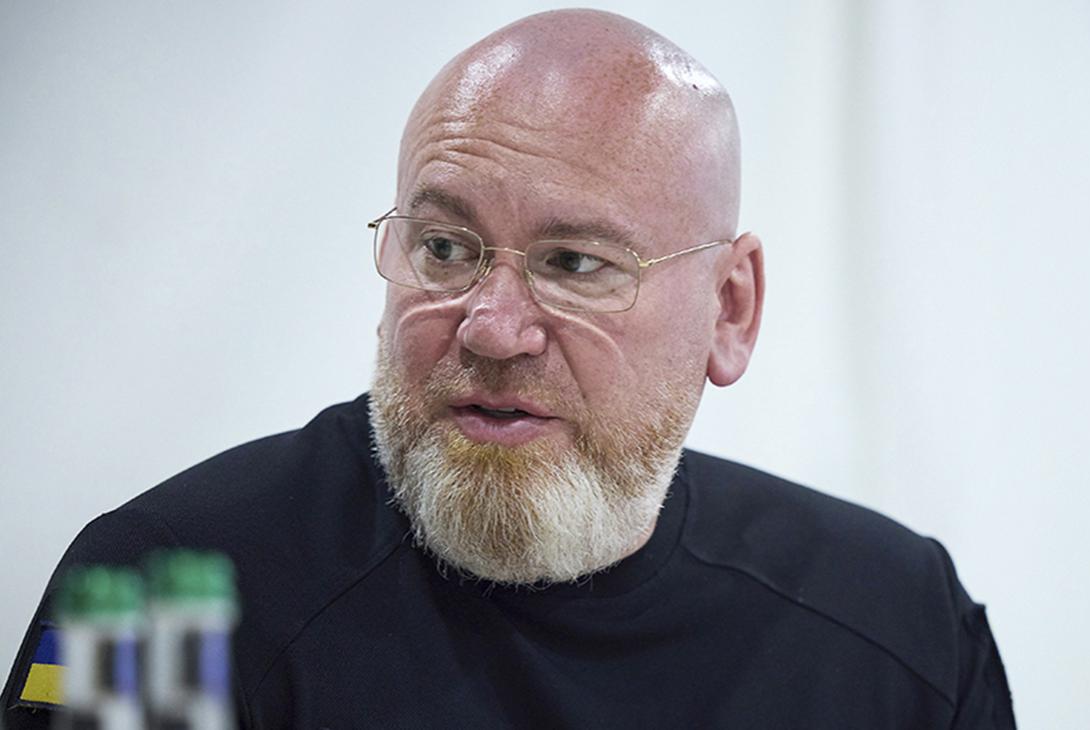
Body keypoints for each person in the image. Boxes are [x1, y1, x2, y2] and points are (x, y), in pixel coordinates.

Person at [3, 9, 1014, 728]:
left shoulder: (901, 627)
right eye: (445, 248)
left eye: (576, 264)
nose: (492, 330)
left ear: (731, 309)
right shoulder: (153, 598)